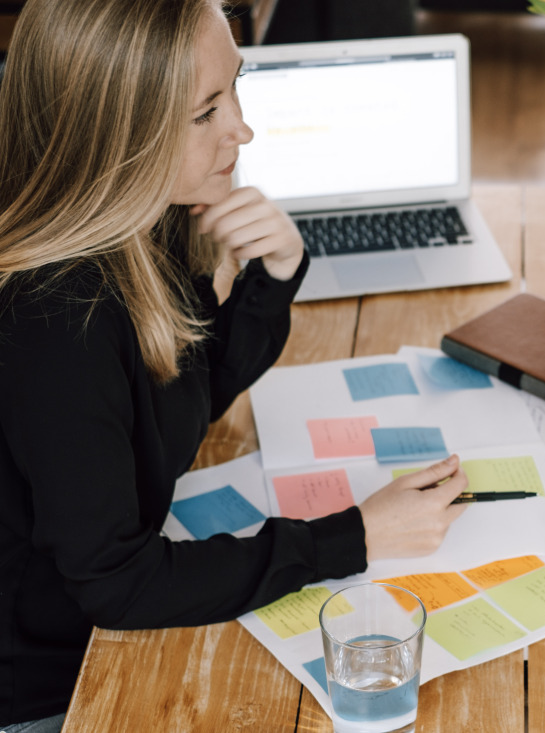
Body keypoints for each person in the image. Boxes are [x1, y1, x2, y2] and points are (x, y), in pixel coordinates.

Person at [0, 1, 471, 729]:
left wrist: (273, 276)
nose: (242, 129)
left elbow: (184, 401)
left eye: (236, 87)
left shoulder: (147, 220)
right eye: (205, 111)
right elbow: (117, 583)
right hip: (52, 680)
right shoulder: (58, 317)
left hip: (110, 620)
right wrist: (355, 537)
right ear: (114, 135)